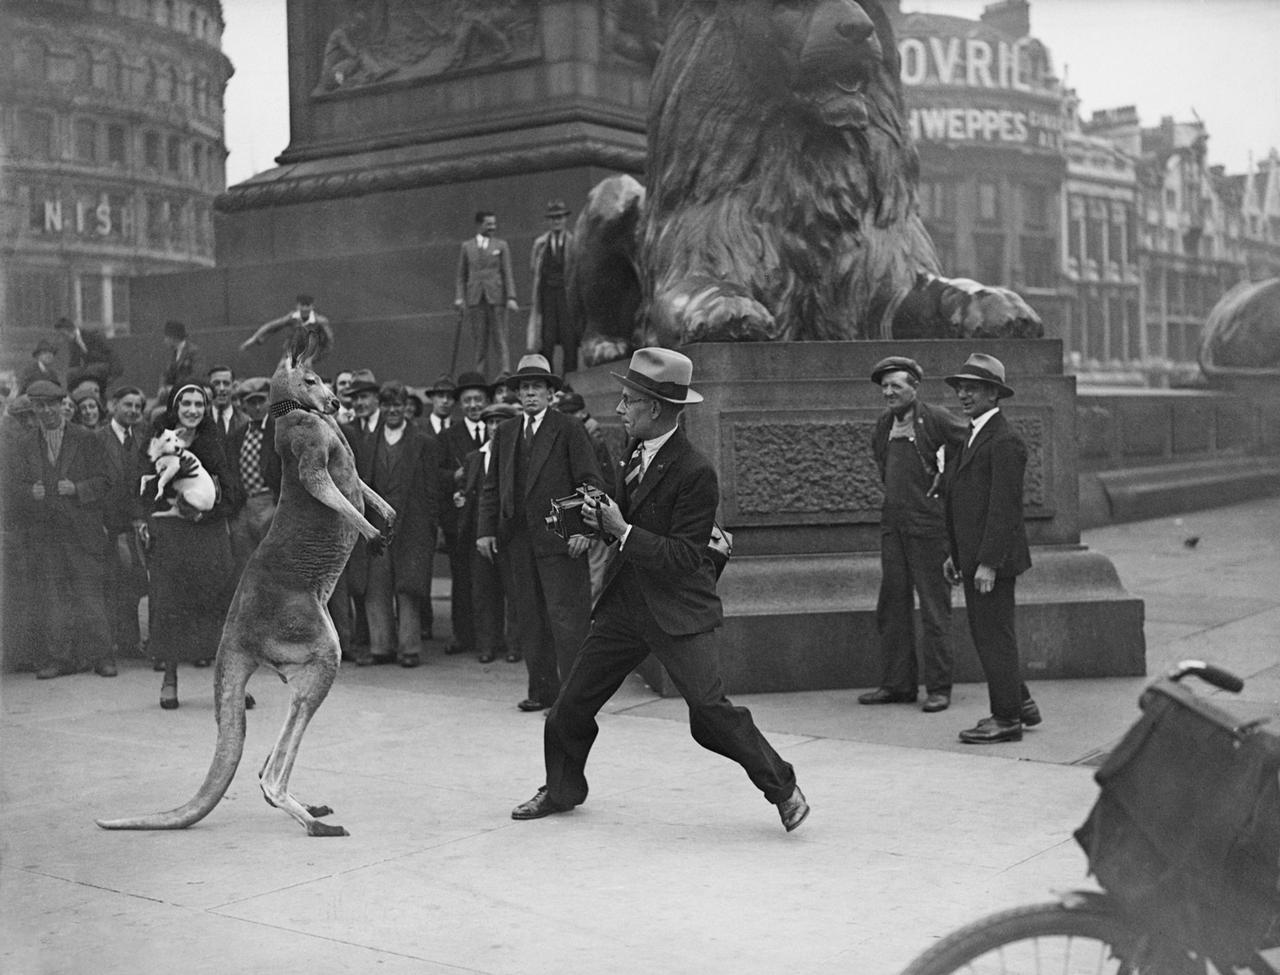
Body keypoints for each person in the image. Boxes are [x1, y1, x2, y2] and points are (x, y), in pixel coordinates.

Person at [509, 348, 809, 831]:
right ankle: (562, 789)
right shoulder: (635, 450)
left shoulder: (695, 471)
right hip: (625, 606)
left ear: (656, 409)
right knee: (570, 706)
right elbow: (629, 525)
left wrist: (622, 530)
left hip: (677, 611)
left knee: (709, 715)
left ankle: (783, 787)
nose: (620, 409)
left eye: (628, 401)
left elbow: (685, 559)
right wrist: (596, 524)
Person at [477, 353, 602, 712]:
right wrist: (485, 531)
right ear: (517, 394)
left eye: (537, 387)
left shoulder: (568, 428)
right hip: (519, 541)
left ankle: (574, 699)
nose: (530, 394)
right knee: (530, 618)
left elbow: (591, 482)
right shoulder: (506, 432)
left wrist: (584, 531)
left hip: (562, 541)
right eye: (525, 388)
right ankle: (542, 691)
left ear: (551, 393)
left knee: (567, 621)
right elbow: (491, 486)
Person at [941, 353, 1042, 744]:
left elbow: (1004, 510)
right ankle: (1022, 703)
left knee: (993, 637)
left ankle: (1006, 719)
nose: (964, 394)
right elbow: (964, 503)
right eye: (961, 387)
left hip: (992, 561)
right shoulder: (974, 433)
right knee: (989, 635)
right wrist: (956, 554)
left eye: (974, 388)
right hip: (974, 556)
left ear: (994, 394)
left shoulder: (1005, 441)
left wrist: (987, 563)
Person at [859, 356, 967, 714]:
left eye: (896, 386)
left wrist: (945, 481)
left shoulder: (934, 418)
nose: (889, 392)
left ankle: (939, 688)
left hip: (929, 529)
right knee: (892, 608)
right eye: (885, 387)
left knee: (935, 611)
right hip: (894, 528)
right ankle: (898, 685)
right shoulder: (883, 425)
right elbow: (882, 464)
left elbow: (970, 447)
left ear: (914, 387)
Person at [142, 382, 244, 709]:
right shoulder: (158, 441)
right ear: (175, 407)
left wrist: (208, 513)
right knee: (171, 603)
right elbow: (140, 487)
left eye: (199, 404)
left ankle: (230, 683)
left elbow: (233, 493)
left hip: (208, 534)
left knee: (218, 606)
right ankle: (169, 678)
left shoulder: (216, 442)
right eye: (185, 403)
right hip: (172, 534)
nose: (192, 410)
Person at [9, 379, 115, 679]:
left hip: (82, 532)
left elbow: (106, 481)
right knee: (52, 598)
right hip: (46, 533)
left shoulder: (87, 438)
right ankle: (59, 659)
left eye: (51, 405)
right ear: (33, 409)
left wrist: (78, 488)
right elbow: (11, 486)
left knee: (90, 596)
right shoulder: (25, 443)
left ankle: (103, 657)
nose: (46, 411)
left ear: (62, 404)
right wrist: (30, 491)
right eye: (39, 406)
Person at [356, 381, 440, 667]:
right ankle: (381, 647)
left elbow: (432, 490)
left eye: (398, 405)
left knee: (409, 587)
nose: (393, 410)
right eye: (387, 405)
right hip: (377, 525)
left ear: (407, 407)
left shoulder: (424, 442)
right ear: (381, 408)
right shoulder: (369, 443)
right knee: (376, 586)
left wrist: (430, 527)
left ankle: (409, 649)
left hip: (412, 523)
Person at [457, 401, 519, 663]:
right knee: (483, 592)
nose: (495, 428)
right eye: (491, 423)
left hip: (509, 535)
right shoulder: (475, 458)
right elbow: (468, 490)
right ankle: (487, 644)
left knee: (514, 592)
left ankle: (515, 645)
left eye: (500, 423)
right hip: (479, 535)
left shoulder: (517, 456)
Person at [439, 371, 492, 656]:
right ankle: (462, 635)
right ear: (461, 405)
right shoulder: (448, 436)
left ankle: (488, 638)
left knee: (488, 581)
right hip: (459, 521)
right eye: (468, 400)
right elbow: (436, 473)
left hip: (487, 519)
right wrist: (455, 476)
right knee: (461, 581)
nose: (474, 405)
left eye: (479, 400)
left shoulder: (498, 430)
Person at [96, 386, 149, 669]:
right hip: (107, 523)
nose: (132, 411)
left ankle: (129, 642)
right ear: (113, 404)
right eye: (127, 404)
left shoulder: (141, 438)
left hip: (135, 522)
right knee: (110, 584)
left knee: (134, 581)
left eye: (138, 407)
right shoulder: (97, 439)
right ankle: (109, 646)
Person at [555, 390, 616, 601]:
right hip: (578, 511)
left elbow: (599, 483)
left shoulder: (590, 437)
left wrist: (588, 523)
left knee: (594, 576)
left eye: (573, 413)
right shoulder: (573, 434)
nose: (569, 417)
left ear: (582, 413)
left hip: (592, 512)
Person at [226, 377, 281, 572]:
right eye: (251, 402)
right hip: (245, 505)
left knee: (275, 563)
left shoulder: (280, 432)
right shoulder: (237, 437)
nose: (257, 407)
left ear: (269, 402)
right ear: (243, 406)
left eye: (261, 401)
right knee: (246, 564)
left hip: (271, 503)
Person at [454, 210, 518, 375]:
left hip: (496, 298)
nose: (492, 227)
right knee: (480, 342)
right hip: (476, 299)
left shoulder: (501, 245)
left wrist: (511, 297)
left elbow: (507, 272)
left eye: (494, 224)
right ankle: (481, 376)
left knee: (500, 339)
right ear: (479, 224)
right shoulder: (467, 247)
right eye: (489, 224)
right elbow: (461, 275)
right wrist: (460, 298)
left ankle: (504, 373)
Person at [527, 200, 577, 374]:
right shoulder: (540, 243)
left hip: (566, 297)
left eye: (560, 218)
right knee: (546, 340)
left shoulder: (573, 242)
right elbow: (534, 268)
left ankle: (570, 378)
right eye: (553, 218)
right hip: (547, 297)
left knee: (569, 339)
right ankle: (548, 377)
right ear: (548, 221)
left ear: (565, 220)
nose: (557, 221)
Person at [239, 294, 334, 361]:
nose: (305, 309)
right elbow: (271, 326)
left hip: (309, 352)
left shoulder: (320, 321)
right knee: (281, 372)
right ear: (297, 306)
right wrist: (254, 339)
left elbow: (328, 341)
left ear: (312, 306)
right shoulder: (292, 318)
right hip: (291, 351)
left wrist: (314, 358)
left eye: (307, 306)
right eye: (302, 305)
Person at [53, 316, 122, 390]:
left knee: (91, 371)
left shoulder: (92, 335)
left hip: (104, 365)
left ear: (70, 329)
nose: (62, 338)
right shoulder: (72, 343)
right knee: (71, 373)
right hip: (90, 368)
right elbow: (74, 363)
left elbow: (110, 353)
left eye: (63, 334)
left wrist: (114, 373)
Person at [158, 320, 200, 399]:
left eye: (166, 337)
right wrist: (162, 387)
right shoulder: (173, 353)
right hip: (173, 395)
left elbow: (196, 376)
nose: (165, 340)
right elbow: (165, 374)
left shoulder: (193, 352)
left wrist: (174, 388)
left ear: (173, 337)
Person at [206, 365, 245, 443]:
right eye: (216, 384)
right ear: (209, 388)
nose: (221, 388)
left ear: (233, 387)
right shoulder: (200, 419)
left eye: (226, 383)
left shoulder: (245, 422)